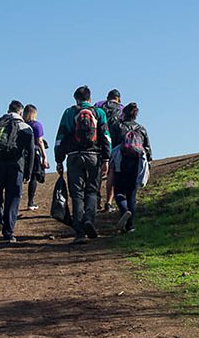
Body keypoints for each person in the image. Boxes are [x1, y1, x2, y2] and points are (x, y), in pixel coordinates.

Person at [54, 85, 112, 245]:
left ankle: (80, 233)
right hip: (94, 156)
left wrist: (59, 159)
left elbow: (60, 137)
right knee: (92, 191)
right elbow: (106, 137)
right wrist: (106, 159)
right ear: (90, 98)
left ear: (76, 99)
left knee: (77, 194)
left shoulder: (69, 112)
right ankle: (89, 219)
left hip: (73, 157)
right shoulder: (99, 113)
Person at [0, 100, 36, 244]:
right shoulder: (25, 127)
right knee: (13, 198)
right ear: (20, 112)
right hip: (15, 166)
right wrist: (28, 173)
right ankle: (8, 232)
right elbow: (30, 152)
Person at [109, 102, 152, 233]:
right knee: (132, 194)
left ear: (124, 113)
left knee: (118, 192)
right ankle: (130, 226)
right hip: (136, 164)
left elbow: (113, 143)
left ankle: (124, 210)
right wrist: (149, 162)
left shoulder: (118, 126)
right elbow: (148, 148)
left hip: (120, 163)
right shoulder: (141, 129)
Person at [94, 89, 124, 212]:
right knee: (111, 172)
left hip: (99, 143)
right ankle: (109, 202)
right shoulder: (122, 108)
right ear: (119, 98)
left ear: (108, 97)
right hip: (115, 144)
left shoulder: (98, 105)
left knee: (97, 172)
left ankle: (95, 200)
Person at [22, 104, 49, 211]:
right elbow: (40, 141)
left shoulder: (21, 125)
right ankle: (30, 202)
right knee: (33, 177)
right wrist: (44, 156)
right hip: (34, 152)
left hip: (22, 153)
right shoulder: (37, 125)